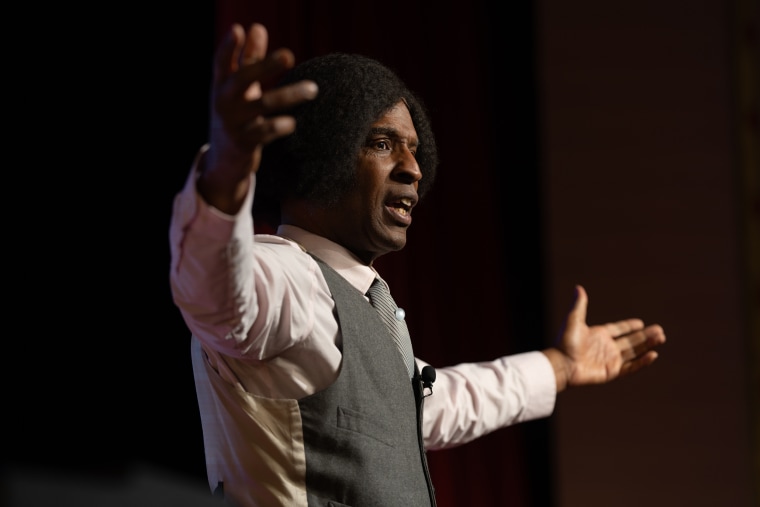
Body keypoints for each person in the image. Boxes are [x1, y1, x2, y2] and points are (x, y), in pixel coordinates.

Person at [169, 21, 666, 507]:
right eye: (383, 144)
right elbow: (214, 290)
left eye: (414, 148)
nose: (414, 168)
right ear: (319, 155)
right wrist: (225, 175)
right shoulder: (285, 279)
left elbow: (448, 400)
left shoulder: (364, 306)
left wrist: (561, 366)